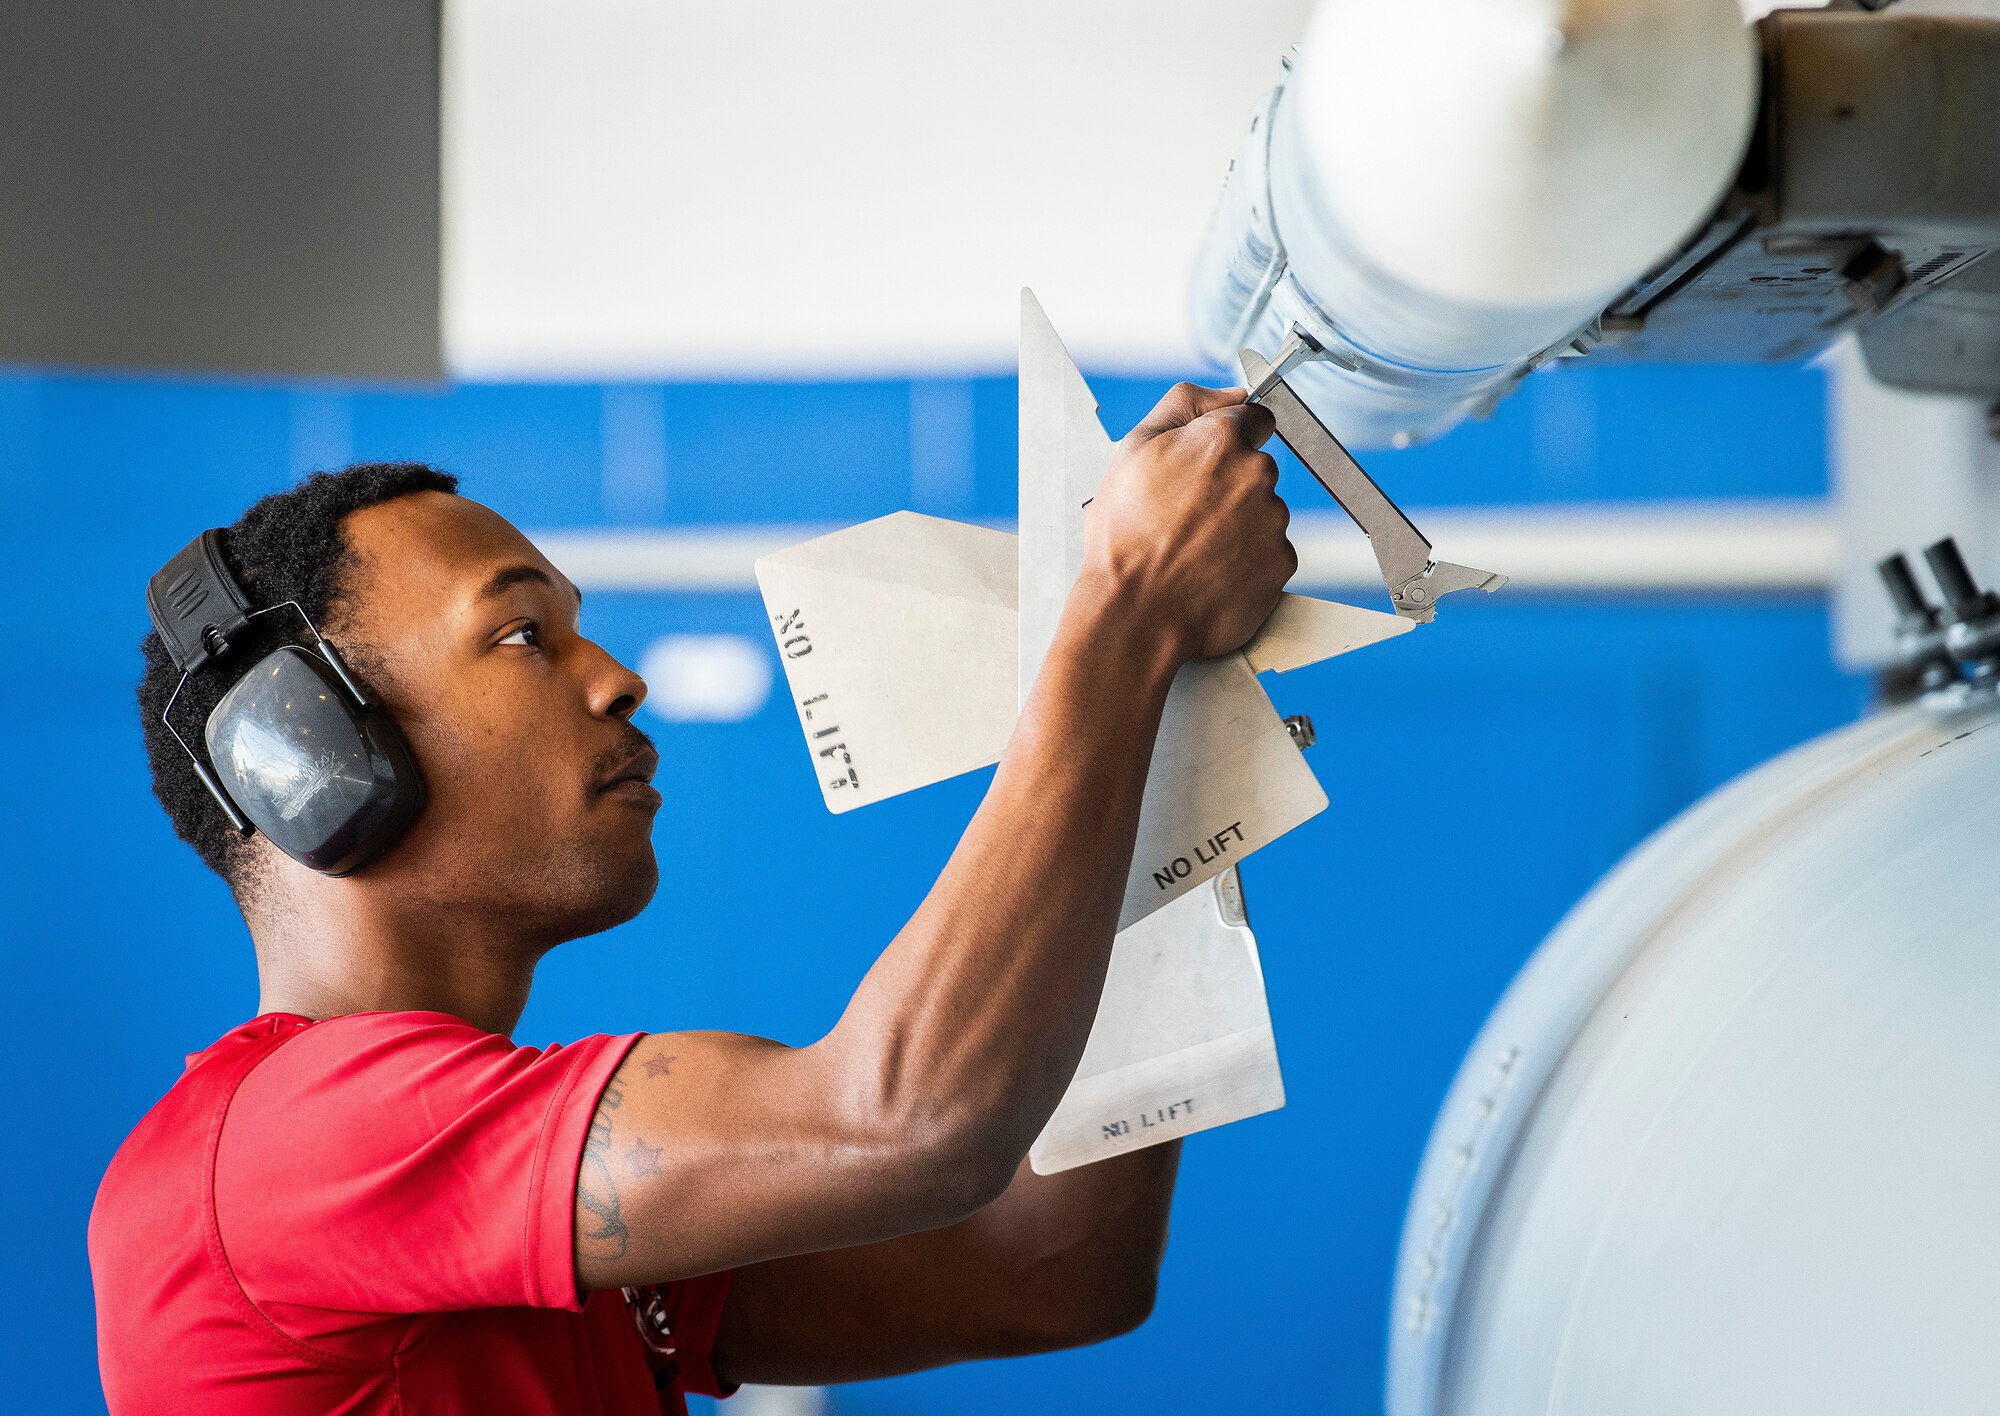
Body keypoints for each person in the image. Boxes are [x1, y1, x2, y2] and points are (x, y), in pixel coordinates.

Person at [89, 382, 1294, 1413]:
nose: (619, 680)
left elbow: (1048, 1270)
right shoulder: (278, 1155)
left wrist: (1160, 762)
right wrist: (1125, 611)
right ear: (303, 756)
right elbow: (901, 1122)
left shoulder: (496, 1194)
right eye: (520, 635)